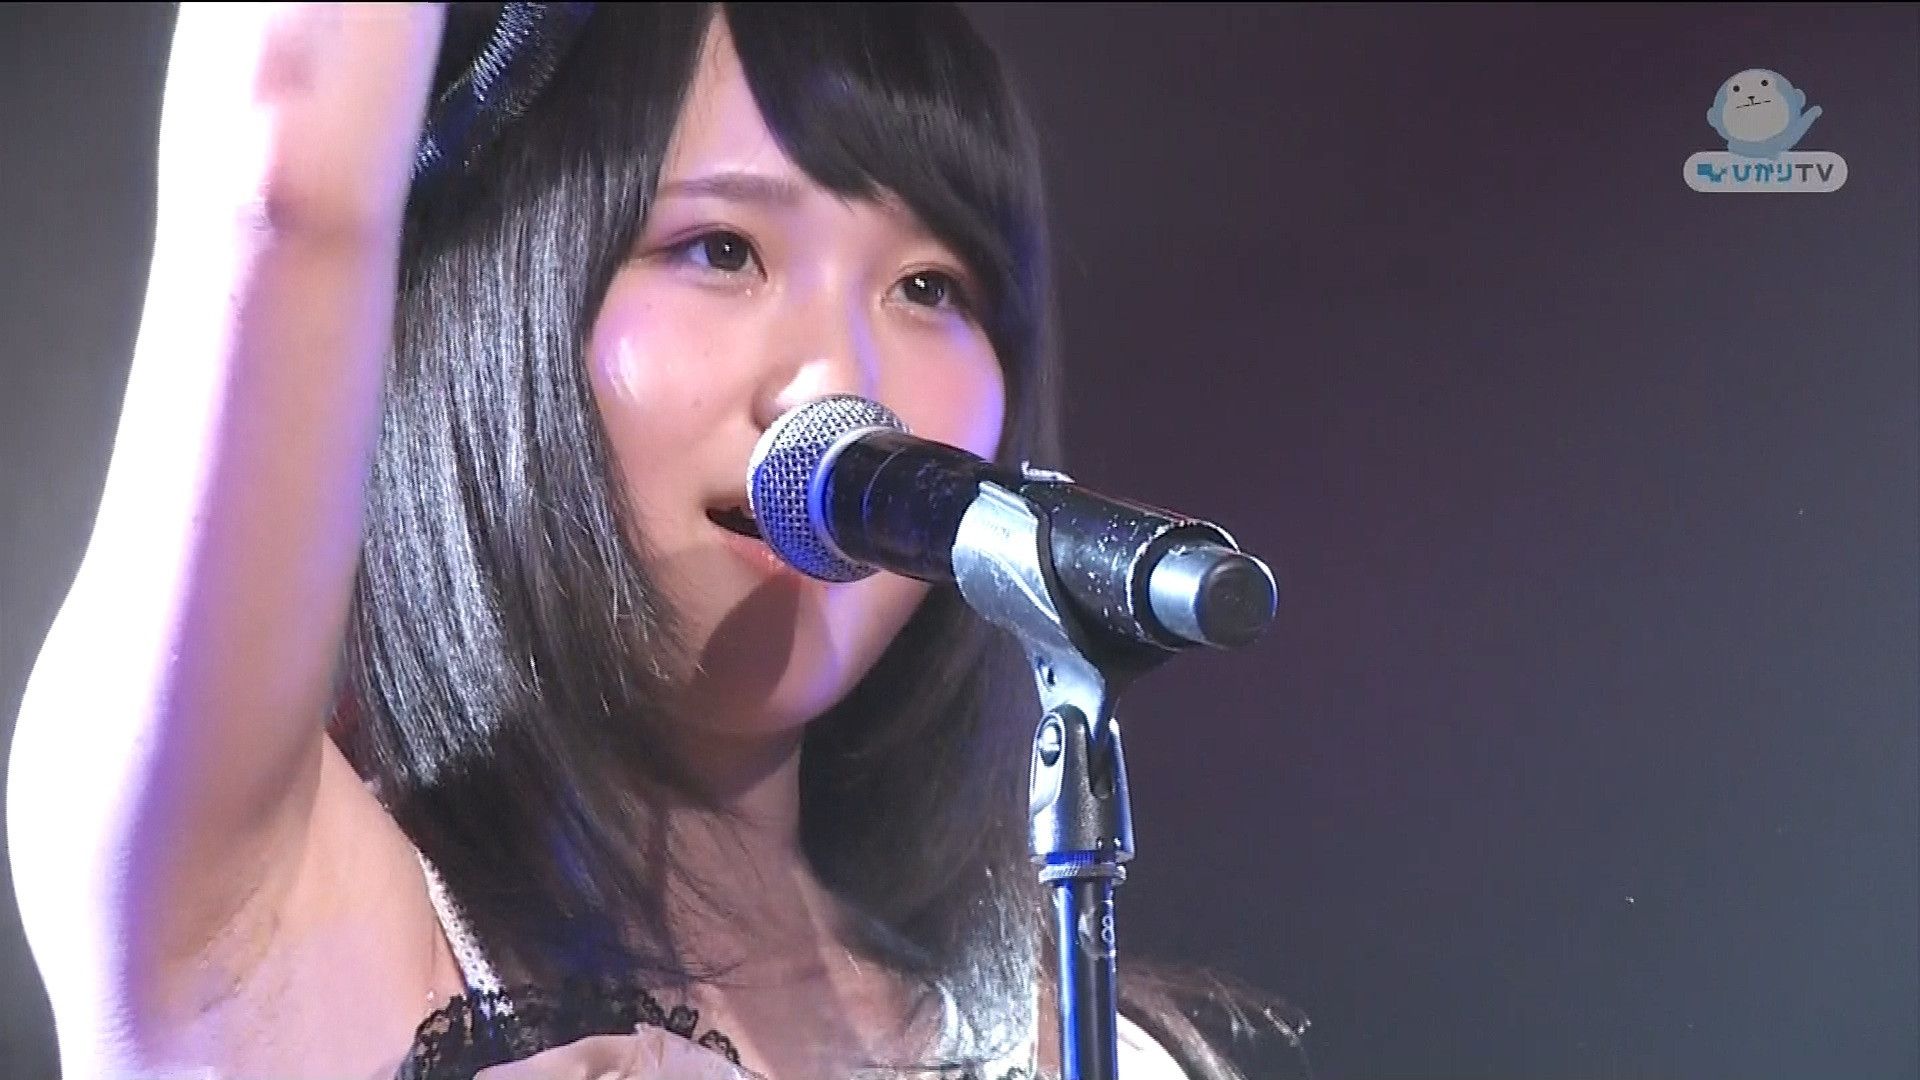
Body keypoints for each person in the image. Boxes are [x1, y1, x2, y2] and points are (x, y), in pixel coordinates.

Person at [7, 4, 1307, 1078]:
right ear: (498, 307)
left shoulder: (1083, 1048)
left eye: (929, 288)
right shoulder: (255, 910)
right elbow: (286, 168)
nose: (841, 386)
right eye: (720, 250)